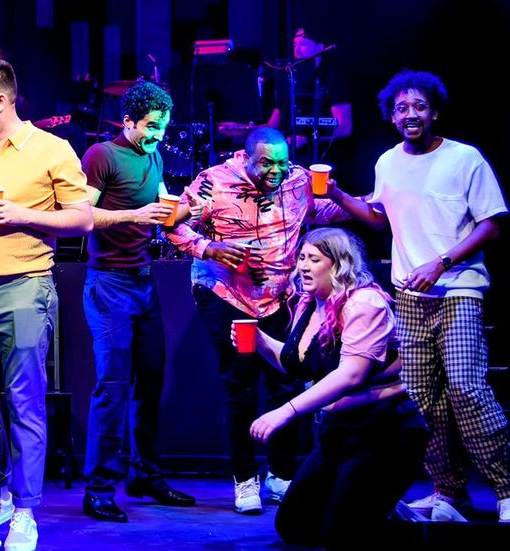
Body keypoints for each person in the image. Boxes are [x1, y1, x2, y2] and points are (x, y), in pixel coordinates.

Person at [325, 69, 510, 522]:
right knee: (423, 398)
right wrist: (337, 194)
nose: (411, 114)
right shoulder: (387, 162)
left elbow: (492, 223)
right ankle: (449, 492)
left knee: (466, 387)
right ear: (392, 116)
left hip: (459, 289)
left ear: (435, 113)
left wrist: (441, 263)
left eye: (420, 106)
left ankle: (506, 488)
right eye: (402, 108)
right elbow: (378, 217)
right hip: (410, 296)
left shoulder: (464, 158)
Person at [0, 57, 93, 551]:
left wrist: (24, 215)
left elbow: (83, 219)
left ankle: (26, 512)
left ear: (1, 100)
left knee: (24, 402)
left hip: (26, 285)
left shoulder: (51, 148)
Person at [167, 126, 345, 515]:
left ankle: (280, 474)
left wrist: (347, 196)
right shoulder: (214, 182)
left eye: (281, 163)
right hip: (225, 293)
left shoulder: (298, 180)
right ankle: (245, 478)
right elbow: (171, 224)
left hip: (279, 297)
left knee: (287, 380)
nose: (275, 171)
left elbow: (329, 211)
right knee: (240, 381)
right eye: (266, 163)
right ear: (246, 158)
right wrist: (209, 248)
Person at [234, 227, 427, 547]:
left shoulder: (364, 304)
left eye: (314, 259)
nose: (303, 266)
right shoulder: (310, 304)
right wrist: (261, 343)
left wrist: (286, 411)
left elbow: (351, 374)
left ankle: (394, 519)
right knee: (294, 527)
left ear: (338, 264)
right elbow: (299, 364)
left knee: (341, 535)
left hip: (383, 434)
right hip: (336, 434)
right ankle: (376, 510)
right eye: (301, 258)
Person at [79, 80, 197, 523]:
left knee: (150, 381)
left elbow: (164, 216)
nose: (158, 135)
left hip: (144, 280)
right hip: (109, 284)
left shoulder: (153, 155)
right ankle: (98, 489)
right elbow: (82, 216)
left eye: (162, 127)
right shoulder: (101, 156)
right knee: (112, 385)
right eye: (150, 126)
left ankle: (144, 475)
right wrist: (135, 214)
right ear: (127, 121)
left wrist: (195, 210)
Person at [266, 25, 352, 165]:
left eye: (303, 44)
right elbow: (272, 125)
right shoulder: (290, 78)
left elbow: (344, 127)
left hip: (322, 159)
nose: (297, 50)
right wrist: (244, 130)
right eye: (295, 45)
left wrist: (307, 139)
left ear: (320, 47)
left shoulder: (333, 77)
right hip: (285, 158)